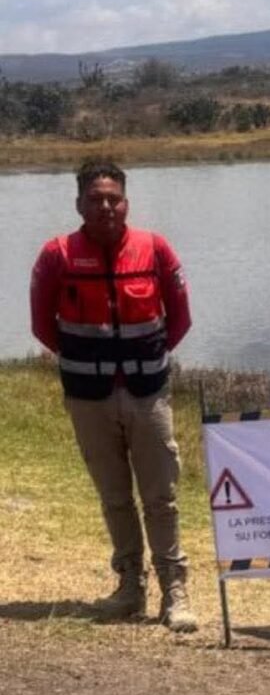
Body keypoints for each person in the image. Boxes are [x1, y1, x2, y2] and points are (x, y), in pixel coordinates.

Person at [29, 159, 197, 632]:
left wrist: (147, 359)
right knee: (114, 497)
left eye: (113, 198)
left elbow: (180, 319)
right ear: (79, 203)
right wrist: (89, 359)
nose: (105, 206)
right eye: (95, 199)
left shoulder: (155, 248)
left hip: (148, 395)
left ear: (126, 202)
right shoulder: (56, 254)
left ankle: (174, 591)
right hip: (89, 397)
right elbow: (43, 325)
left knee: (161, 496)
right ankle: (130, 587)